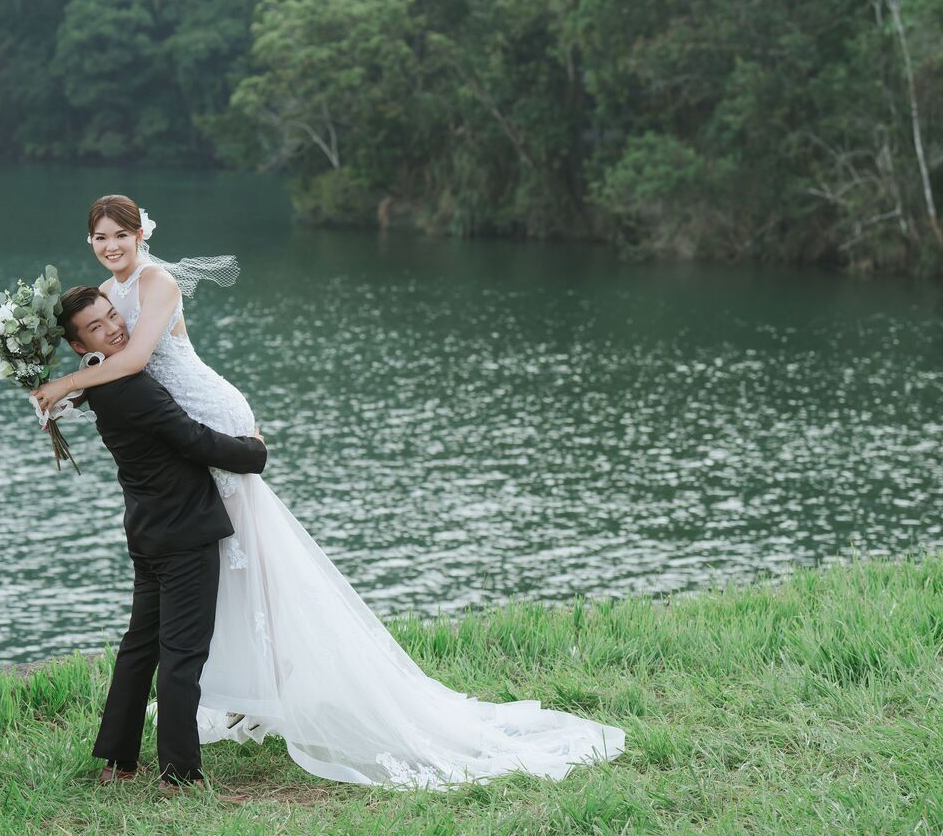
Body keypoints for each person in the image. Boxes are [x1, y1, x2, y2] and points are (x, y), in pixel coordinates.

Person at [36, 194, 624, 790]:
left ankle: (274, 685)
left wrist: (65, 384)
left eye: (120, 235)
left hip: (204, 414)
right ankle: (243, 693)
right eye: (100, 238)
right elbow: (115, 363)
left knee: (237, 562)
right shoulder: (106, 298)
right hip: (173, 433)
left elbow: (135, 358)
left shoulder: (156, 283)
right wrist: (71, 386)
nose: (111, 246)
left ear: (140, 234)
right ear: (91, 244)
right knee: (210, 569)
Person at [55, 282, 267, 793]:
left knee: (139, 648)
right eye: (96, 327)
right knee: (182, 656)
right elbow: (192, 440)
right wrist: (253, 451)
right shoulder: (131, 387)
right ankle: (179, 774)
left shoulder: (102, 386)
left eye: (112, 315)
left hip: (148, 531)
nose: (114, 328)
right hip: (185, 535)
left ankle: (118, 760)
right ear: (80, 345)